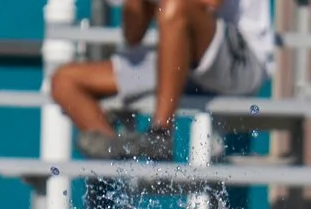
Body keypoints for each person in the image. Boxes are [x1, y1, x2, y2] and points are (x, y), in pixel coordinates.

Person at [48, 0, 274, 161]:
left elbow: (210, 3)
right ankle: (123, 155)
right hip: (180, 60)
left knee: (175, 7)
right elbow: (133, 34)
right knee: (64, 82)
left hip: (242, 58)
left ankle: (160, 135)